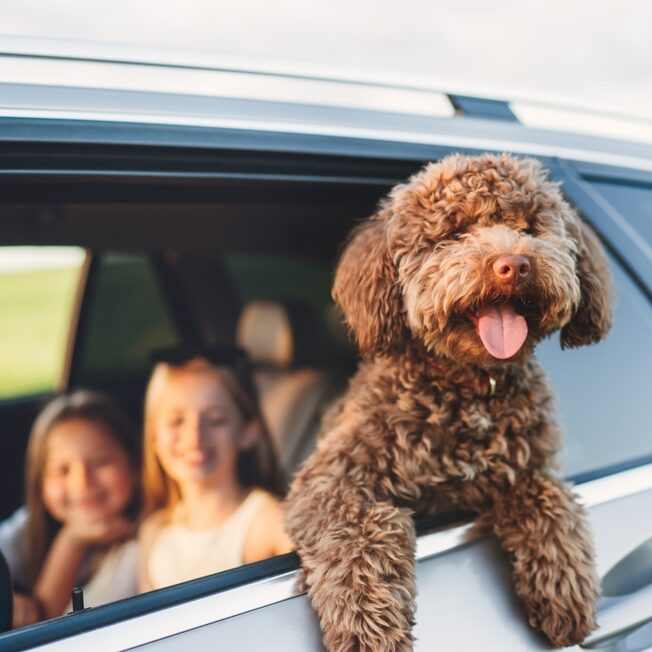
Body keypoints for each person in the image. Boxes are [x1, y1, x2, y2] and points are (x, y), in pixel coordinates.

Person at [138, 346, 293, 592]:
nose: (195, 436)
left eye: (215, 420)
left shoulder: (268, 523)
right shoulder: (154, 533)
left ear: (249, 432)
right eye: (176, 421)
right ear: (154, 436)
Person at [0, 391, 140, 627]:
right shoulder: (28, 527)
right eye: (62, 471)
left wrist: (72, 541)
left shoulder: (142, 544)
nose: (82, 482)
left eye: (100, 462)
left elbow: (44, 626)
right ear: (41, 485)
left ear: (134, 463)